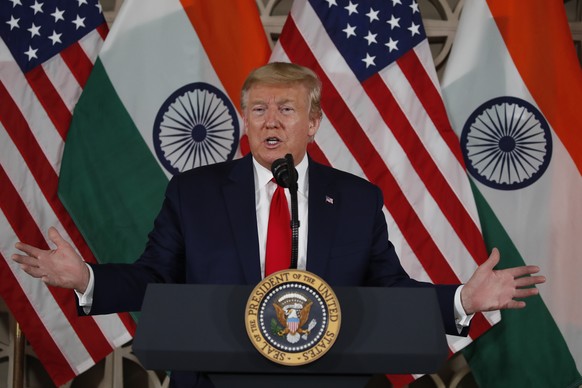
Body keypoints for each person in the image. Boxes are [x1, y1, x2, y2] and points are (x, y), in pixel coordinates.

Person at [12, 62, 545, 388]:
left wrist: (461, 302)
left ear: (313, 123)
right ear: (243, 119)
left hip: (325, 381)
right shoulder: (193, 193)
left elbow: (389, 292)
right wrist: (87, 279)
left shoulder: (357, 200)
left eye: (286, 109)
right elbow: (155, 275)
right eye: (258, 109)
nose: (270, 120)